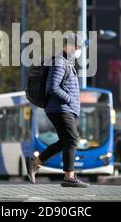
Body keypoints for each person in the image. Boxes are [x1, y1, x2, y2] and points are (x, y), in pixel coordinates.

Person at [25, 34, 89, 188]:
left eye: (80, 47)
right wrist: (69, 99)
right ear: (68, 46)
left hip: (65, 108)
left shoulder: (67, 62)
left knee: (65, 141)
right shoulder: (60, 62)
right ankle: (69, 177)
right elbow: (52, 87)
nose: (79, 50)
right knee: (72, 139)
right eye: (77, 46)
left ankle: (35, 163)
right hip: (60, 108)